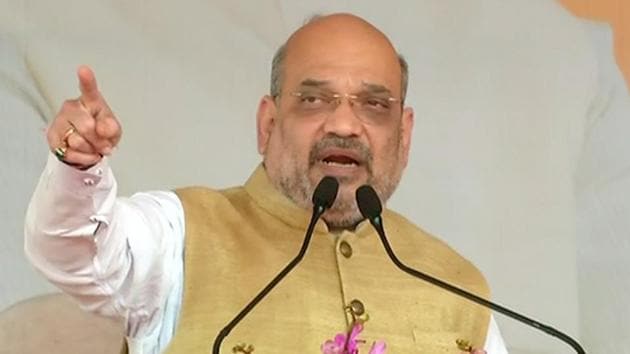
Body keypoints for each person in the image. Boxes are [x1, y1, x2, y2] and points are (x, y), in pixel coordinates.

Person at [25, 13, 507, 353]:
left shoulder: (457, 285)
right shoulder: (183, 235)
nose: (344, 124)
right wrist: (78, 165)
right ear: (268, 124)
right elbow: (76, 252)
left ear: (404, 135)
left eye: (374, 105)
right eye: (314, 101)